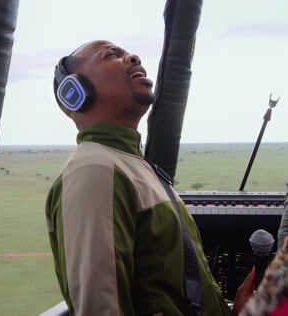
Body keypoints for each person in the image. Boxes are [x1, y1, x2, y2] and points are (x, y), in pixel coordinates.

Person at [45, 40, 253, 315]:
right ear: (75, 92)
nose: (132, 57)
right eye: (111, 55)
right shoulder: (94, 170)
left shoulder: (132, 165)